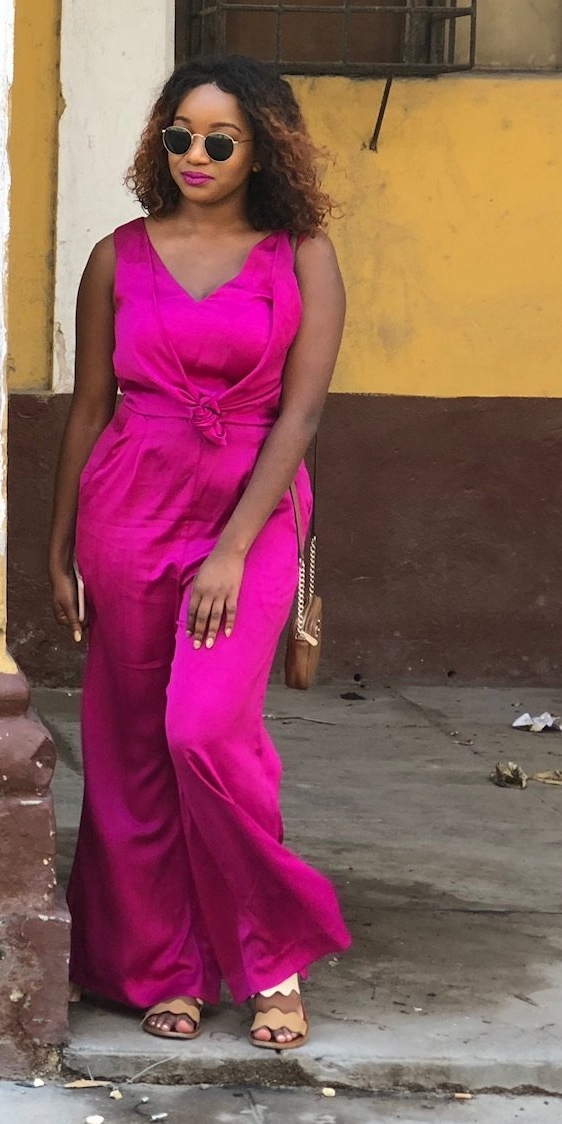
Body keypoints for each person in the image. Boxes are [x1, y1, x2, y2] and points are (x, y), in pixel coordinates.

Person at [47, 53, 348, 1049]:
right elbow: (89, 407)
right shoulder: (117, 256)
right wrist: (58, 544)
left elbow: (300, 416)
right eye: (179, 135)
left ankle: (272, 957)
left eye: (221, 139)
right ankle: (161, 966)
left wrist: (233, 547)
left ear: (263, 148)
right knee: (131, 747)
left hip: (250, 515)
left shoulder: (300, 254)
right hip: (128, 508)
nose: (197, 154)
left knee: (204, 730)